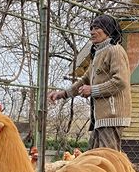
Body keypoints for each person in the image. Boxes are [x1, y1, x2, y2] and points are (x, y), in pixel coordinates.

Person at [48, 14, 131, 150]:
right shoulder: (98, 53)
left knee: (106, 157)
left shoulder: (115, 50)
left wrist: (93, 90)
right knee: (94, 156)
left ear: (108, 30)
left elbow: (120, 81)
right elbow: (85, 80)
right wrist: (62, 94)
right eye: (91, 28)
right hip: (100, 117)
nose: (92, 32)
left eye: (97, 28)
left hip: (112, 114)